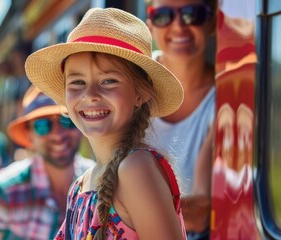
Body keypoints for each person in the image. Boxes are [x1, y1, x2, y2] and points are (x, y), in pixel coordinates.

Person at [25, 7, 186, 239]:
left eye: (109, 80)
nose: (90, 94)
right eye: (77, 82)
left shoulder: (136, 168)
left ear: (140, 94)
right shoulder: (80, 185)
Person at [0, 86, 95, 240]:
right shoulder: (0, 193)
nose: (57, 135)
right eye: (42, 126)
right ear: (29, 135)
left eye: (67, 121)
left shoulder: (102, 182)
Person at [145, 0, 216, 238]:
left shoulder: (228, 97)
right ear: (150, 26)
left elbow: (201, 214)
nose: (178, 27)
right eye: (163, 16)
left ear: (213, 22)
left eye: (192, 14)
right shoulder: (130, 82)